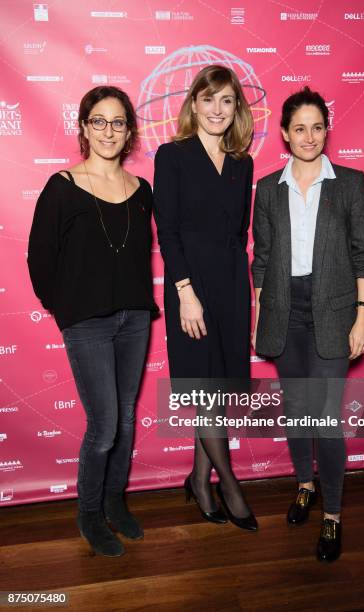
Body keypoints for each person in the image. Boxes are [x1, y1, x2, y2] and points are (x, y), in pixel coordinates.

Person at [28, 86, 158, 557]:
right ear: (84, 128)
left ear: (129, 132)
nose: (108, 131)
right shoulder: (62, 187)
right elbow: (40, 262)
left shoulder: (142, 191)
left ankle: (114, 503)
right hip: (88, 325)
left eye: (118, 122)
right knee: (103, 424)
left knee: (124, 418)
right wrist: (70, 311)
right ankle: (88, 513)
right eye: (98, 121)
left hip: (135, 320)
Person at [252, 86, 364, 561]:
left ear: (327, 131)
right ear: (285, 134)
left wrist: (361, 316)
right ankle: (304, 484)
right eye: (299, 128)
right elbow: (261, 261)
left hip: (334, 311)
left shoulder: (350, 182)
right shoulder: (267, 188)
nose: (309, 137)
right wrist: (261, 316)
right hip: (285, 312)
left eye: (317, 127)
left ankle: (333, 515)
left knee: (324, 419)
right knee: (297, 409)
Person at [153, 65, 258, 531]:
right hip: (190, 287)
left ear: (237, 108)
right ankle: (228, 484)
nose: (217, 109)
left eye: (227, 101)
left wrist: (246, 293)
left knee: (216, 389)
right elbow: (168, 232)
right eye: (208, 99)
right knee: (204, 388)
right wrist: (184, 293)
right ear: (193, 103)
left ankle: (198, 479)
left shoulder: (243, 161)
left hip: (232, 286)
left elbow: (241, 232)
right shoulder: (171, 156)